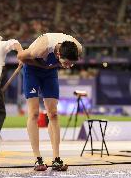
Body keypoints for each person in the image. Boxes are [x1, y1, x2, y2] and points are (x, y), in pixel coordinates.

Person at [17, 33, 82, 171]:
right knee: (34, 113)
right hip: (32, 70)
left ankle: (56, 159)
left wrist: (49, 67)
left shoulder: (78, 48)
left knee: (53, 114)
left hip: (50, 72)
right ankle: (37, 159)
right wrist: (39, 64)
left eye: (71, 63)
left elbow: (64, 61)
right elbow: (20, 57)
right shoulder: (41, 49)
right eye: (66, 63)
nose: (69, 66)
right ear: (58, 54)